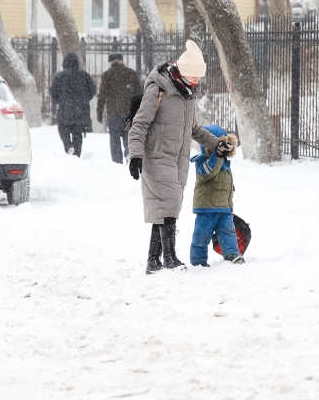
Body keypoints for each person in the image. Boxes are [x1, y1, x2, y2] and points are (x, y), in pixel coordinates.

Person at [128, 40, 234, 274]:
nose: (197, 81)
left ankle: (153, 262)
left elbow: (194, 130)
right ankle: (170, 258)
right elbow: (140, 124)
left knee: (164, 206)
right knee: (170, 202)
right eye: (194, 76)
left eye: (199, 77)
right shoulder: (159, 89)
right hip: (156, 155)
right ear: (184, 71)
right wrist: (135, 155)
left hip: (178, 158)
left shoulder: (188, 95)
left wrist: (218, 144)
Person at [188, 124, 244, 266]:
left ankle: (232, 254)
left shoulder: (225, 163)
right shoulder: (201, 161)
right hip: (207, 208)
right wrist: (217, 155)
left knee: (228, 233)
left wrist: (229, 205)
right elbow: (209, 171)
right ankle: (198, 261)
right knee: (201, 236)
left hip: (224, 209)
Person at [96, 53, 142, 164]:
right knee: (128, 135)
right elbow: (140, 93)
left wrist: (99, 111)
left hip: (114, 112)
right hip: (129, 112)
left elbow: (102, 95)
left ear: (109, 62)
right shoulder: (132, 73)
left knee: (115, 139)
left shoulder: (107, 75)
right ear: (122, 61)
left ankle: (117, 162)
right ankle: (129, 153)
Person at [50, 53, 96, 157]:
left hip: (65, 109)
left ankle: (68, 146)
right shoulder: (84, 75)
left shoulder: (60, 76)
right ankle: (77, 153)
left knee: (63, 129)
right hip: (81, 109)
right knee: (78, 132)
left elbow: (53, 92)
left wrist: (60, 101)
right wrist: (85, 99)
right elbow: (92, 89)